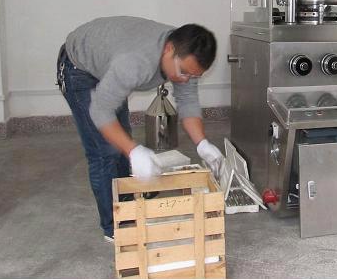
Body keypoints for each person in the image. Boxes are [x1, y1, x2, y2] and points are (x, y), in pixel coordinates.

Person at [56, 16, 223, 242]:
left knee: (121, 137)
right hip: (79, 66)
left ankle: (126, 202)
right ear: (168, 49)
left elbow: (188, 101)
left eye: (194, 76)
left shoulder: (187, 55)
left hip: (111, 60)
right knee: (105, 151)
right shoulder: (135, 63)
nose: (186, 80)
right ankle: (115, 226)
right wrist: (133, 150)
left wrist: (202, 144)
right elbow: (100, 111)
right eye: (184, 73)